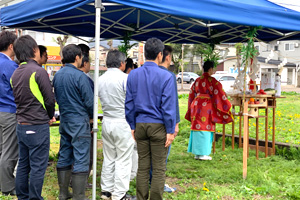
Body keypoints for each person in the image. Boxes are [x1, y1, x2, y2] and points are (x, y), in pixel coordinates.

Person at [125, 37, 176, 200]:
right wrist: (170, 130)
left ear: (145, 54)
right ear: (160, 55)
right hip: (159, 126)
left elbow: (129, 103)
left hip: (140, 124)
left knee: (143, 167)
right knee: (159, 168)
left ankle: (141, 198)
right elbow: (168, 107)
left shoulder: (133, 75)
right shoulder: (166, 76)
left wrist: (132, 125)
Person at [11, 35, 55, 200]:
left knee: (23, 163)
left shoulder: (15, 73)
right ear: (34, 50)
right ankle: (35, 198)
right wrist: (50, 115)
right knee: (38, 166)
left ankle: (22, 197)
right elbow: (49, 100)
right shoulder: (38, 71)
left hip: (21, 124)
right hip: (37, 125)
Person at [53, 44, 93, 200]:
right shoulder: (80, 76)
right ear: (78, 57)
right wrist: (91, 117)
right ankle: (79, 196)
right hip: (79, 122)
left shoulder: (58, 75)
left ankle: (63, 193)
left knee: (65, 154)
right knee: (81, 157)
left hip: (65, 120)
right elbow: (89, 102)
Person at [99, 50, 135, 200]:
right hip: (122, 121)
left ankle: (106, 190)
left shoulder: (100, 79)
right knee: (123, 159)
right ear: (122, 63)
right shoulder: (126, 79)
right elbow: (133, 102)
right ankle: (119, 194)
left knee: (109, 156)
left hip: (107, 120)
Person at [185, 61, 233, 161]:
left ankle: (197, 153)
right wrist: (228, 104)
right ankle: (203, 153)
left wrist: (190, 107)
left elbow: (191, 94)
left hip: (196, 104)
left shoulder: (197, 80)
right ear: (210, 69)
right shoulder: (213, 81)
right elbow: (220, 94)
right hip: (206, 106)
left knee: (197, 128)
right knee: (205, 128)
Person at [149, 45, 179, 193]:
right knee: (161, 157)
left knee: (147, 157)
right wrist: (175, 124)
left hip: (145, 121)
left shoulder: (147, 72)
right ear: (167, 57)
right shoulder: (169, 76)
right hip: (162, 122)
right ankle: (158, 184)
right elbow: (172, 102)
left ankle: (149, 181)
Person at [0, 30, 18, 196]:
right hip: (9, 110)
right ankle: (7, 187)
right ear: (11, 46)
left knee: (1, 149)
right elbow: (18, 89)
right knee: (10, 150)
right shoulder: (10, 65)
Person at [78, 52, 94, 189]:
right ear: (84, 63)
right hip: (84, 121)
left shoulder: (61, 75)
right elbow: (90, 101)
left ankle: (72, 182)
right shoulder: (85, 79)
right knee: (85, 154)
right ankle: (81, 183)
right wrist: (92, 117)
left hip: (69, 120)